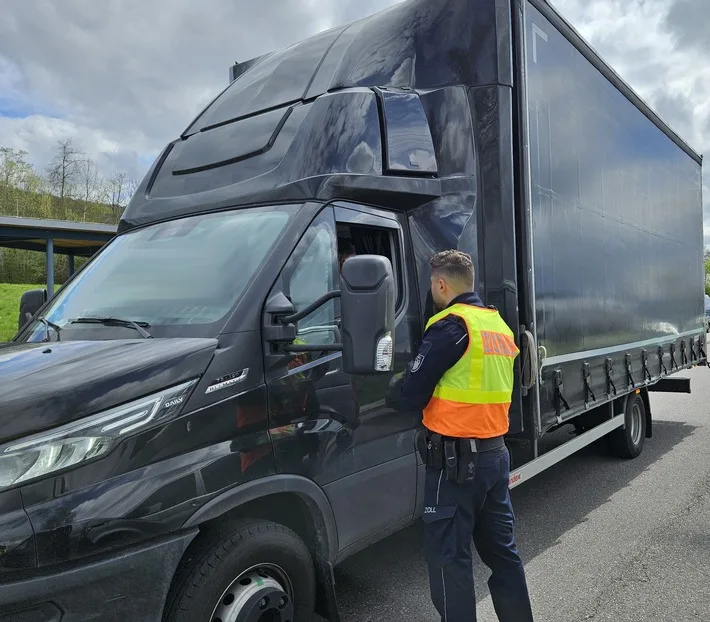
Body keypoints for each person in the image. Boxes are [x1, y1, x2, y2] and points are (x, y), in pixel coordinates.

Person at [387, 249, 533, 622]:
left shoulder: (452, 326)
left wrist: (390, 389)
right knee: (504, 557)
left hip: (455, 465)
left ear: (440, 283)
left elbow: (410, 394)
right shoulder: (498, 327)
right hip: (495, 457)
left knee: (449, 561)